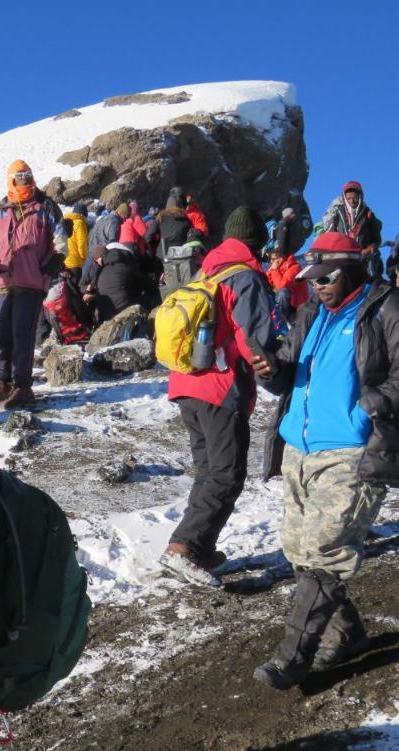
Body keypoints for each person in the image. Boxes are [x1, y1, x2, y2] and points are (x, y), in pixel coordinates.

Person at [251, 232, 399, 688]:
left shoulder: (391, 306)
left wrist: (372, 403)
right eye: (312, 279)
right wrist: (275, 373)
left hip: (352, 452)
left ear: (353, 269)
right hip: (298, 449)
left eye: (327, 277)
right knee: (302, 553)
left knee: (326, 555)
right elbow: (294, 371)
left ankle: (292, 657)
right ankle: (348, 634)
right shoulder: (312, 313)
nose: (318, 286)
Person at [157, 207, 278, 587]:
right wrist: (276, 376)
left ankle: (199, 548)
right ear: (257, 242)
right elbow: (252, 338)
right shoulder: (245, 277)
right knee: (227, 474)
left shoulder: (206, 269)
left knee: (209, 471)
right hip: (220, 387)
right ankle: (184, 548)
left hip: (185, 383)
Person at [0, 160, 67, 409]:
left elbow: (60, 240)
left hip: (32, 281)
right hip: (4, 280)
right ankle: (1, 382)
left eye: (27, 176)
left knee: (22, 334)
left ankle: (23, 386)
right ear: (11, 180)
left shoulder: (46, 206)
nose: (24, 181)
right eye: (19, 177)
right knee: (2, 334)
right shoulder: (0, 210)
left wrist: (53, 263)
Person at [320, 181, 384, 282]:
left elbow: (376, 239)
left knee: (365, 285)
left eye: (355, 197)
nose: (352, 201)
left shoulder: (368, 214)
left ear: (360, 197)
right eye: (349, 198)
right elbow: (329, 235)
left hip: (363, 259)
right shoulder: (337, 212)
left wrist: (370, 249)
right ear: (344, 198)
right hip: (342, 258)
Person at [147, 187, 196, 295]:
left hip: (163, 256)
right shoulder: (186, 220)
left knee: (164, 284)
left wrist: (155, 247)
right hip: (181, 256)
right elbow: (191, 237)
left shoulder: (160, 217)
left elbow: (148, 237)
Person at [266, 246, 308, 326]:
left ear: (280, 259)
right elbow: (266, 283)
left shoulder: (294, 267)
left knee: (283, 292)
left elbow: (282, 285)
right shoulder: (276, 268)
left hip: (295, 305)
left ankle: (279, 322)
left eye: (273, 259)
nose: (271, 262)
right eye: (270, 259)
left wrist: (275, 271)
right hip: (283, 302)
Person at [63, 202, 90, 271]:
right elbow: (82, 243)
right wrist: (85, 257)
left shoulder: (65, 222)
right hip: (75, 262)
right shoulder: (80, 223)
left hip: (64, 261)